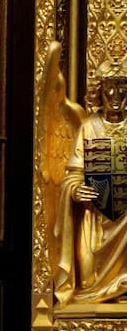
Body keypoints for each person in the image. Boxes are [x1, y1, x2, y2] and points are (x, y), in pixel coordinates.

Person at [54, 64, 127, 304]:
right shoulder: (89, 127)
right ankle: (97, 289)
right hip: (95, 216)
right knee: (86, 279)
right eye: (110, 89)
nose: (115, 96)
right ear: (100, 92)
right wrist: (76, 190)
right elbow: (73, 174)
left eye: (122, 88)